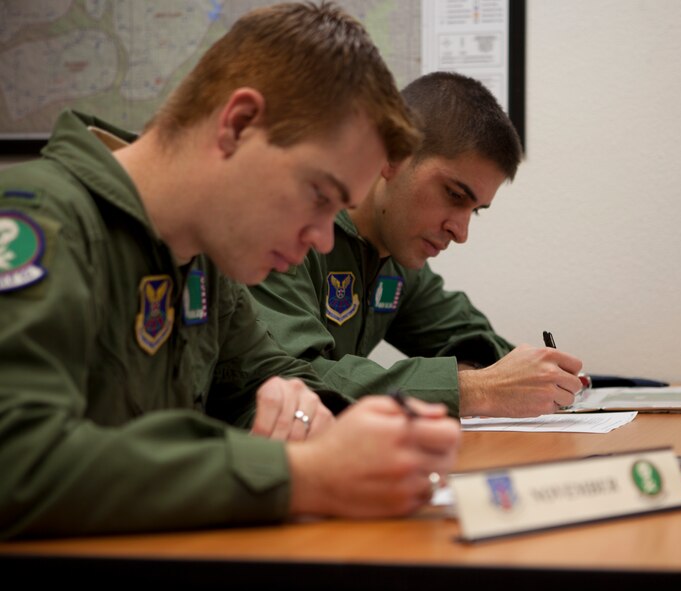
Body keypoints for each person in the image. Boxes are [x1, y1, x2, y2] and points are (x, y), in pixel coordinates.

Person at [0, 2, 460, 540]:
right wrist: (305, 476)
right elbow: (16, 459)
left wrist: (315, 417)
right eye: (318, 195)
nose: (323, 237)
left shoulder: (203, 261)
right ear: (238, 125)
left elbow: (262, 385)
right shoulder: (35, 219)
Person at [249, 71, 584, 419]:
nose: (461, 232)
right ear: (392, 154)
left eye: (476, 211)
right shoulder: (287, 237)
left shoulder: (395, 261)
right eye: (454, 195)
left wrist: (489, 374)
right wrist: (474, 389)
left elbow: (465, 333)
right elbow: (292, 379)